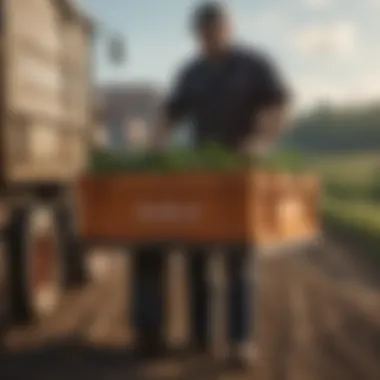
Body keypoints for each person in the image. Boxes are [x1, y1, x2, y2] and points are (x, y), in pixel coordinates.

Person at [151, 1, 291, 367]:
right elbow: (170, 112)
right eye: (202, 34)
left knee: (238, 261)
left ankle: (239, 341)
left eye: (214, 31)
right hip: (202, 174)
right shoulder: (191, 72)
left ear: (228, 28)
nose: (208, 39)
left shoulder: (254, 64)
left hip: (242, 174)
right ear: (196, 36)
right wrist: (157, 144)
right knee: (195, 258)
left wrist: (262, 141)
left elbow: (281, 104)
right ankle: (199, 339)